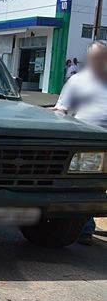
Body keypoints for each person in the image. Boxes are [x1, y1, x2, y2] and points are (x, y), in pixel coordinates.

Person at [55, 41, 107, 244]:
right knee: (88, 185)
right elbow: (61, 110)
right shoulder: (77, 81)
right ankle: (85, 228)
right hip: (86, 144)